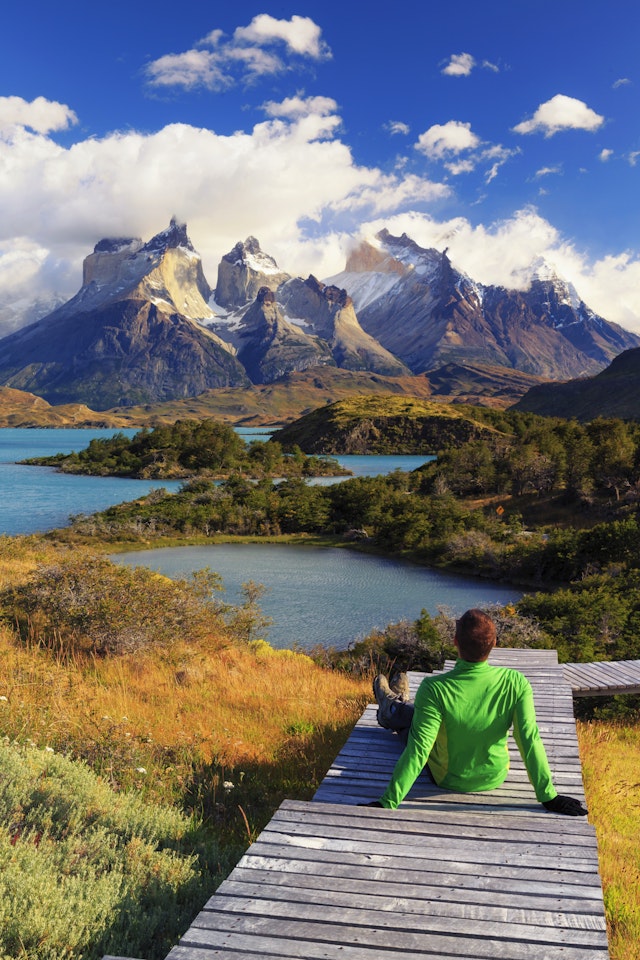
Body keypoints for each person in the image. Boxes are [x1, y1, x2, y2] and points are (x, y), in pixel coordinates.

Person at [369, 608, 587, 816]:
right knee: (418, 715)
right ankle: (395, 703)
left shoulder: (434, 687)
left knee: (410, 724)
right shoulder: (516, 683)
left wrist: (388, 801)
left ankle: (390, 707)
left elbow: (419, 749)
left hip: (446, 779)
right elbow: (529, 738)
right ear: (494, 643)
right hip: (494, 776)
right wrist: (548, 796)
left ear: (455, 642)